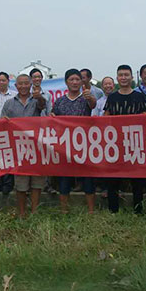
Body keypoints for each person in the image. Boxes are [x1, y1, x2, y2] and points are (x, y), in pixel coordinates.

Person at [51, 69, 97, 213]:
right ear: (66, 82)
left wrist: (90, 98)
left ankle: (91, 211)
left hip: (84, 144)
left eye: (77, 79)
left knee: (88, 178)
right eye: (72, 80)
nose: (75, 82)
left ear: (82, 82)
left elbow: (93, 105)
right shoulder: (60, 101)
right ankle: (64, 210)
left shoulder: (86, 98)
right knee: (64, 178)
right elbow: (53, 117)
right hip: (65, 146)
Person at [104, 64, 146, 213]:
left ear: (131, 77)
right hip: (115, 143)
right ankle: (113, 209)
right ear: (117, 78)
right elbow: (106, 117)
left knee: (137, 178)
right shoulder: (112, 97)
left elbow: (145, 117)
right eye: (121, 75)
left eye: (126, 75)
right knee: (113, 178)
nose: (123, 78)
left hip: (135, 142)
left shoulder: (139, 96)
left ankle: (138, 209)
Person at [1, 74, 46, 217]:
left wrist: (39, 97)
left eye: (26, 83)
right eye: (20, 84)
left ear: (30, 85)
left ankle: (34, 212)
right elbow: (2, 123)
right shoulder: (9, 103)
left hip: (36, 147)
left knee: (37, 183)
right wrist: (4, 121)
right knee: (21, 184)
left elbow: (43, 106)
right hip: (18, 148)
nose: (23, 86)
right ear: (16, 86)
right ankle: (21, 213)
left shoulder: (37, 100)